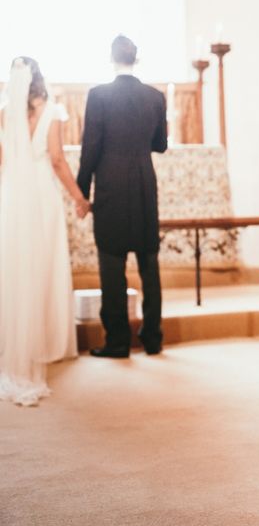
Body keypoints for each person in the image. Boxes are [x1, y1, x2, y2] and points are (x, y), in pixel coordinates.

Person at [0, 57, 88, 406]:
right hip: (41, 195)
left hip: (11, 196)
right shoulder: (52, 110)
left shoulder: (5, 113)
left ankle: (14, 340)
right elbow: (56, 159)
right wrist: (80, 197)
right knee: (45, 264)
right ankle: (47, 342)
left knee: (14, 265)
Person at [77, 35, 168, 358]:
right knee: (149, 265)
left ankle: (117, 341)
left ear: (111, 58)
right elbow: (160, 144)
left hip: (111, 188)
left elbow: (90, 149)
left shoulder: (99, 96)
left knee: (112, 266)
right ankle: (153, 338)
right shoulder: (155, 96)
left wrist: (81, 191)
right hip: (144, 184)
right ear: (136, 58)